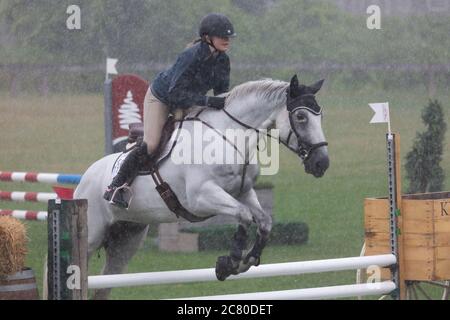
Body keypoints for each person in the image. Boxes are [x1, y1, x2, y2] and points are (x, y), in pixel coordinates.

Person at [103, 13, 236, 209]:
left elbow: (221, 94)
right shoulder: (191, 56)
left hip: (190, 100)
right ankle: (116, 186)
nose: (227, 40)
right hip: (162, 97)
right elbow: (175, 93)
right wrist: (208, 101)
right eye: (221, 36)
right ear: (207, 38)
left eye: (228, 37)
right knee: (152, 143)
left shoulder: (223, 61)